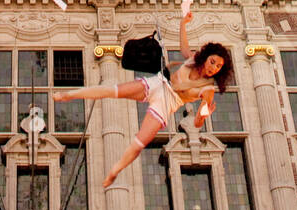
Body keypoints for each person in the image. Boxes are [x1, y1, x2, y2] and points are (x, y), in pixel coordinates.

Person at [53, 10, 232, 187]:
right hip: (160, 83)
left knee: (139, 141)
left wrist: (202, 115)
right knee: (113, 90)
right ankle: (69, 94)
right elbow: (184, 47)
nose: (213, 68)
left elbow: (199, 122)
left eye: (218, 67)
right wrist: (182, 24)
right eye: (213, 62)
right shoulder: (193, 60)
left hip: (168, 102)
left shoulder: (208, 89)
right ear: (206, 57)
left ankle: (115, 171)